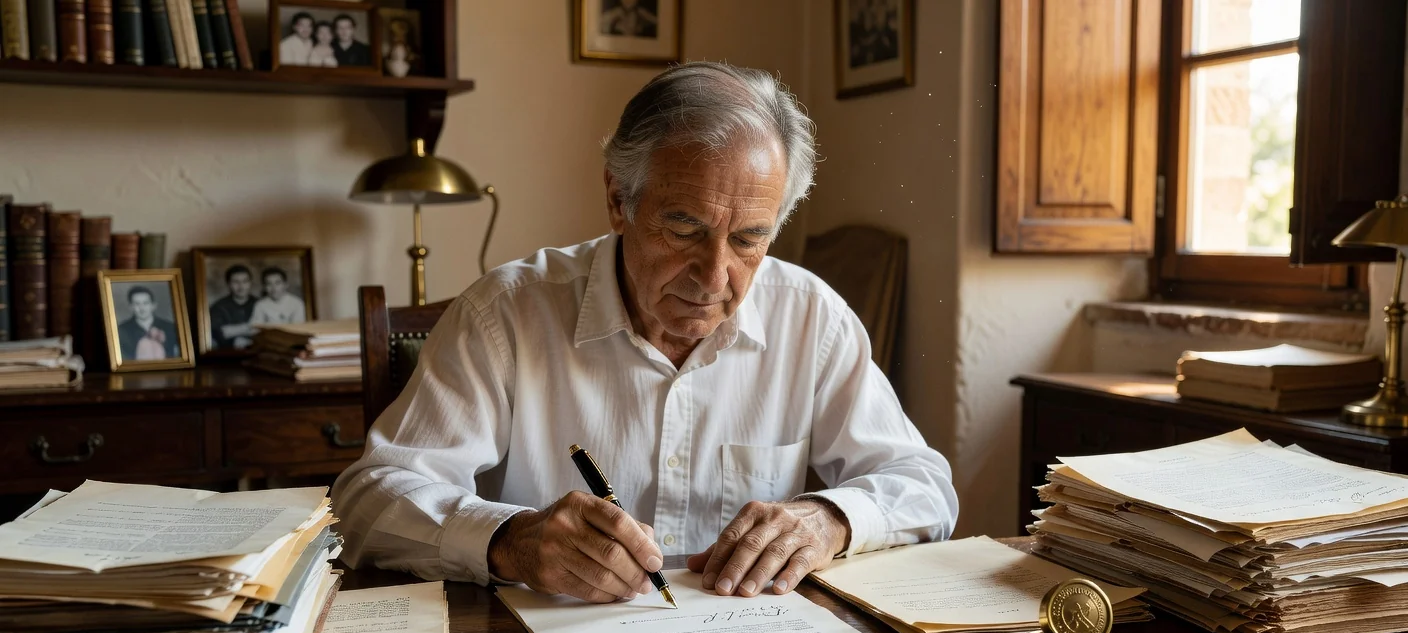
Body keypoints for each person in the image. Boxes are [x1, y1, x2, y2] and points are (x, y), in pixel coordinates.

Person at [332, 61, 958, 605]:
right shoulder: (506, 314)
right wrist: (509, 540)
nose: (715, 276)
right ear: (617, 199)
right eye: (684, 228)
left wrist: (830, 520)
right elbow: (366, 501)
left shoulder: (811, 318)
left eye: (749, 238)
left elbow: (925, 486)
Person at [117, 285, 181, 361]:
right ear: (130, 307)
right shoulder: (121, 330)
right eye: (137, 304)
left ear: (153, 305)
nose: (142, 308)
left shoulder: (170, 327)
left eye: (146, 303)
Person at [209, 264, 257, 350]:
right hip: (228, 355)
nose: (241, 286)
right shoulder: (218, 307)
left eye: (245, 281)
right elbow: (217, 334)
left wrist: (232, 331)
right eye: (235, 282)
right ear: (228, 284)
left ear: (250, 283)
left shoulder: (260, 304)